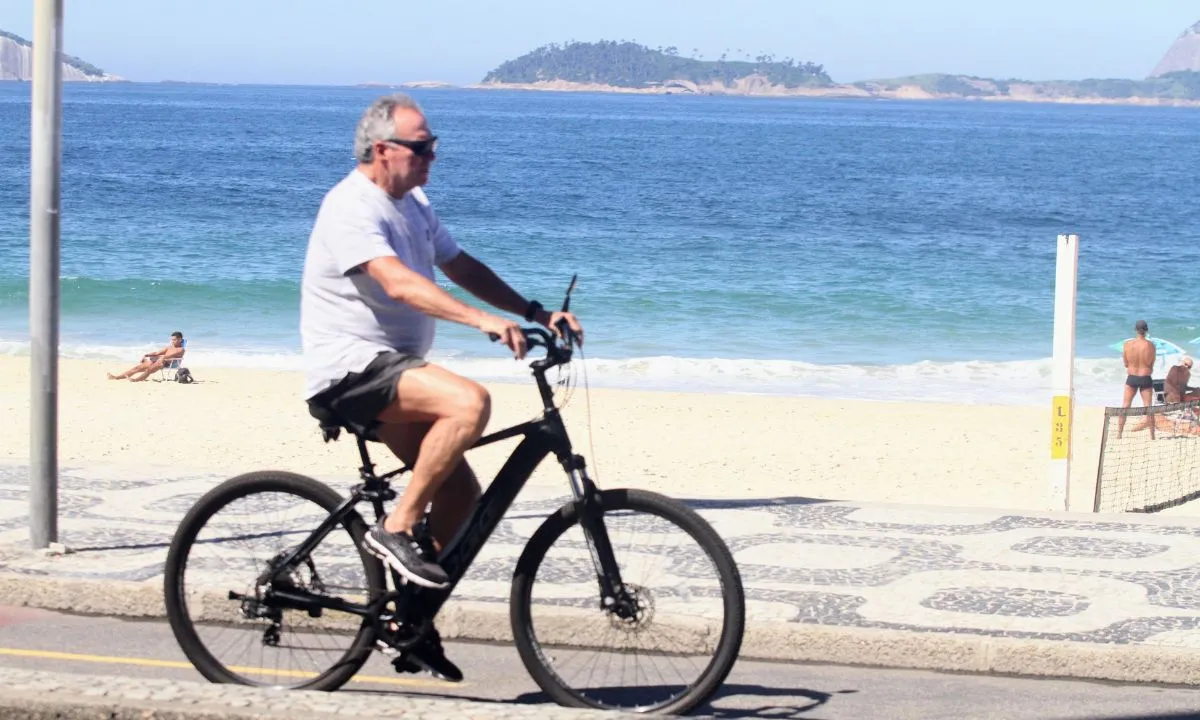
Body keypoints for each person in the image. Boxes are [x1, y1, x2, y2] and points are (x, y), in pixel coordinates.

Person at [300, 93, 583, 681]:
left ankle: (409, 623)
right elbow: (397, 283)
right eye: (423, 147)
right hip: (351, 371)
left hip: (392, 370)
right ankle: (397, 528)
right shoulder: (350, 206)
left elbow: (461, 266)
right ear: (384, 150)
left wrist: (534, 311)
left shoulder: (414, 203)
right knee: (470, 401)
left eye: (434, 147)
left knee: (460, 498)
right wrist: (481, 321)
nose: (434, 157)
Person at [1119, 320, 1156, 439]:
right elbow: (1151, 364)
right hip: (1145, 377)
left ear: (1135, 329)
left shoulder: (1127, 344)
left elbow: (1125, 363)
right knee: (1148, 407)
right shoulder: (1151, 345)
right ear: (1146, 330)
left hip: (1132, 378)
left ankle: (1119, 433)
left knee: (1125, 405)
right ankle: (1152, 435)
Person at [107, 331, 185, 382]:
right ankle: (116, 377)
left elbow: (169, 356)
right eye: (172, 339)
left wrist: (160, 357)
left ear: (180, 339)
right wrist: (147, 355)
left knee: (149, 369)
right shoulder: (168, 347)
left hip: (168, 363)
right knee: (137, 368)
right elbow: (157, 352)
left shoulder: (181, 349)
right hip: (159, 361)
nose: (172, 341)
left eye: (174, 340)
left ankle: (136, 380)